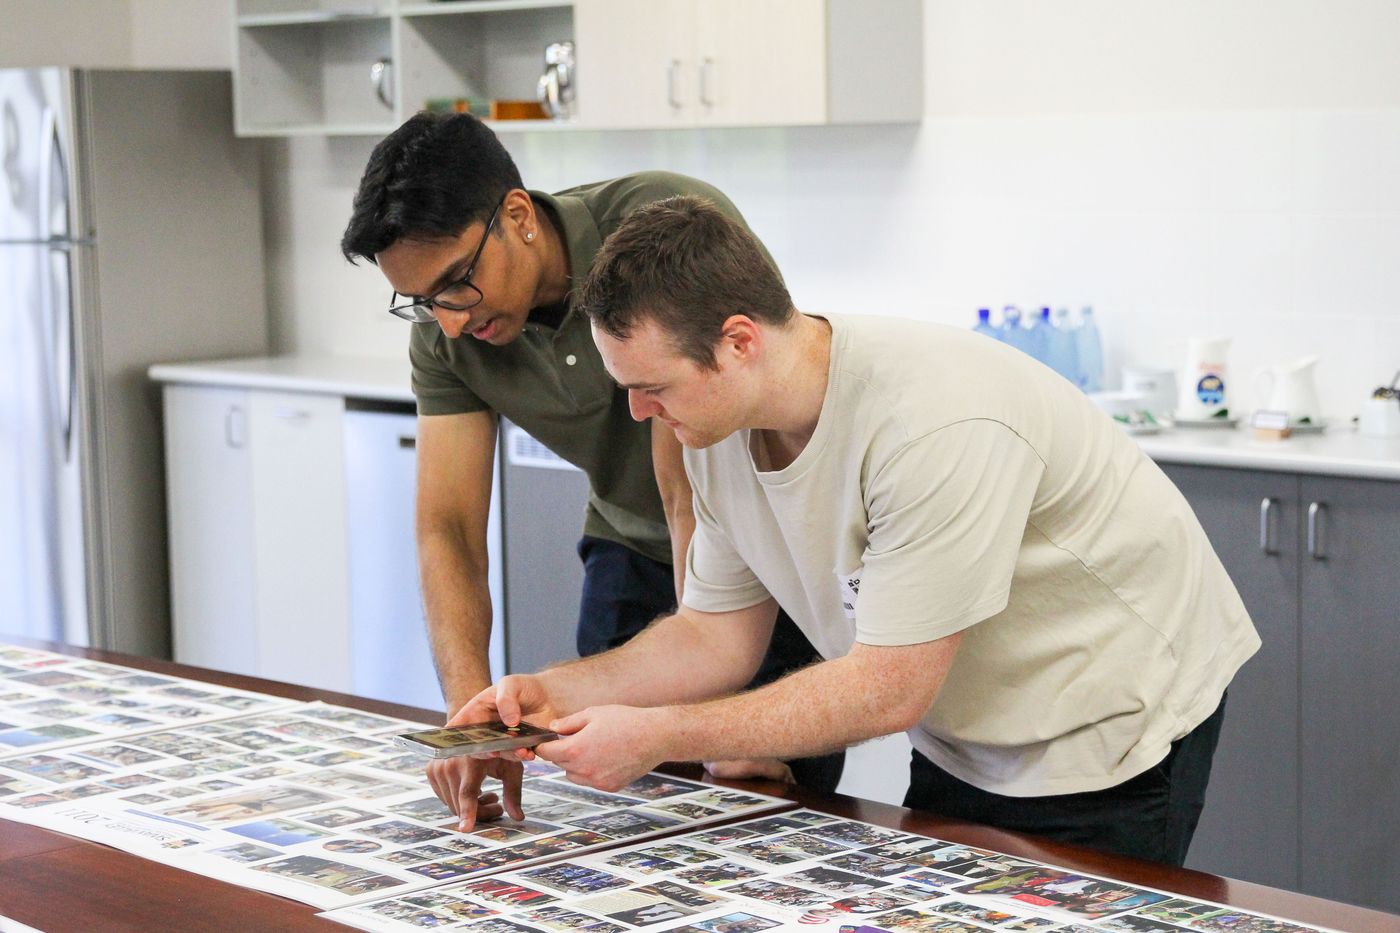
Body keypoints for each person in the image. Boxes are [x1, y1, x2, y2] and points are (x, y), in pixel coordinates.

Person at [451, 195, 1261, 867]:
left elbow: (888, 686)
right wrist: (554, 694)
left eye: (651, 385)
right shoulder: (714, 427)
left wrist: (660, 734)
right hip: (966, 726)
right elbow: (710, 635)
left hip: (1108, 718)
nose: (636, 412)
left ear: (738, 342)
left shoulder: (931, 423)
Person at [339, 114, 842, 825]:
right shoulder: (447, 332)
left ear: (518, 217)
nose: (449, 321)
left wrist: (712, 719)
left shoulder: (651, 234)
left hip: (756, 551)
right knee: (619, 800)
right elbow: (448, 527)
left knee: (767, 801)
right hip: (627, 544)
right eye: (422, 301)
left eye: (456, 282)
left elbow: (687, 493)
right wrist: (470, 721)